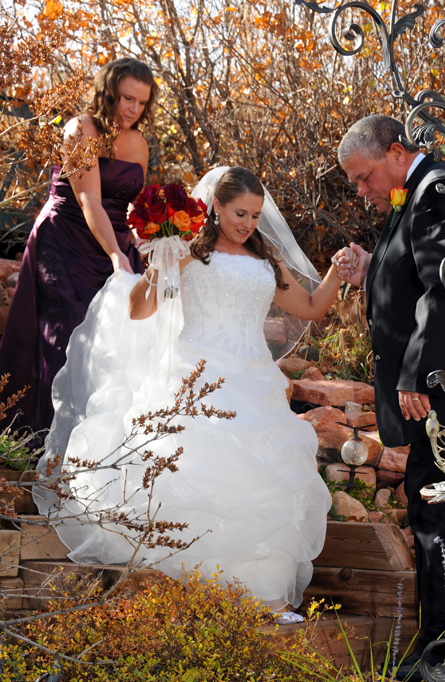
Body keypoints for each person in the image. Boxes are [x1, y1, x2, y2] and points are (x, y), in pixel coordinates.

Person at [36, 166, 343, 612]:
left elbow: (312, 306)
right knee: (196, 476)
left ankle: (263, 595)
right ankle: (187, 592)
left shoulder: (265, 259)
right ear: (215, 206)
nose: (248, 223)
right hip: (195, 378)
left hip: (254, 382)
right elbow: (138, 310)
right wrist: (162, 265)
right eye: (240, 212)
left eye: (256, 216)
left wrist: (336, 272)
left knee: (258, 483)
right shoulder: (188, 252)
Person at [334, 114, 445, 677]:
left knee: (438, 510)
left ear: (396, 152)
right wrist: (372, 271)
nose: (362, 190)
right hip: (428, 391)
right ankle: (436, 639)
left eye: (364, 176)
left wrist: (418, 372)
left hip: (440, 389)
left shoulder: (435, 190)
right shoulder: (411, 195)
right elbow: (412, 278)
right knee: (425, 506)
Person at [0, 57, 157, 439]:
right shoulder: (80, 128)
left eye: (141, 103)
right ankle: (40, 439)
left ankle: (98, 441)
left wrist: (150, 236)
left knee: (121, 337)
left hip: (115, 240)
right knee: (66, 331)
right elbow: (89, 201)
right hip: (66, 237)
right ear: (108, 92)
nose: (133, 109)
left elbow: (131, 201)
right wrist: (116, 255)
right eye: (126, 99)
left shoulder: (138, 142)